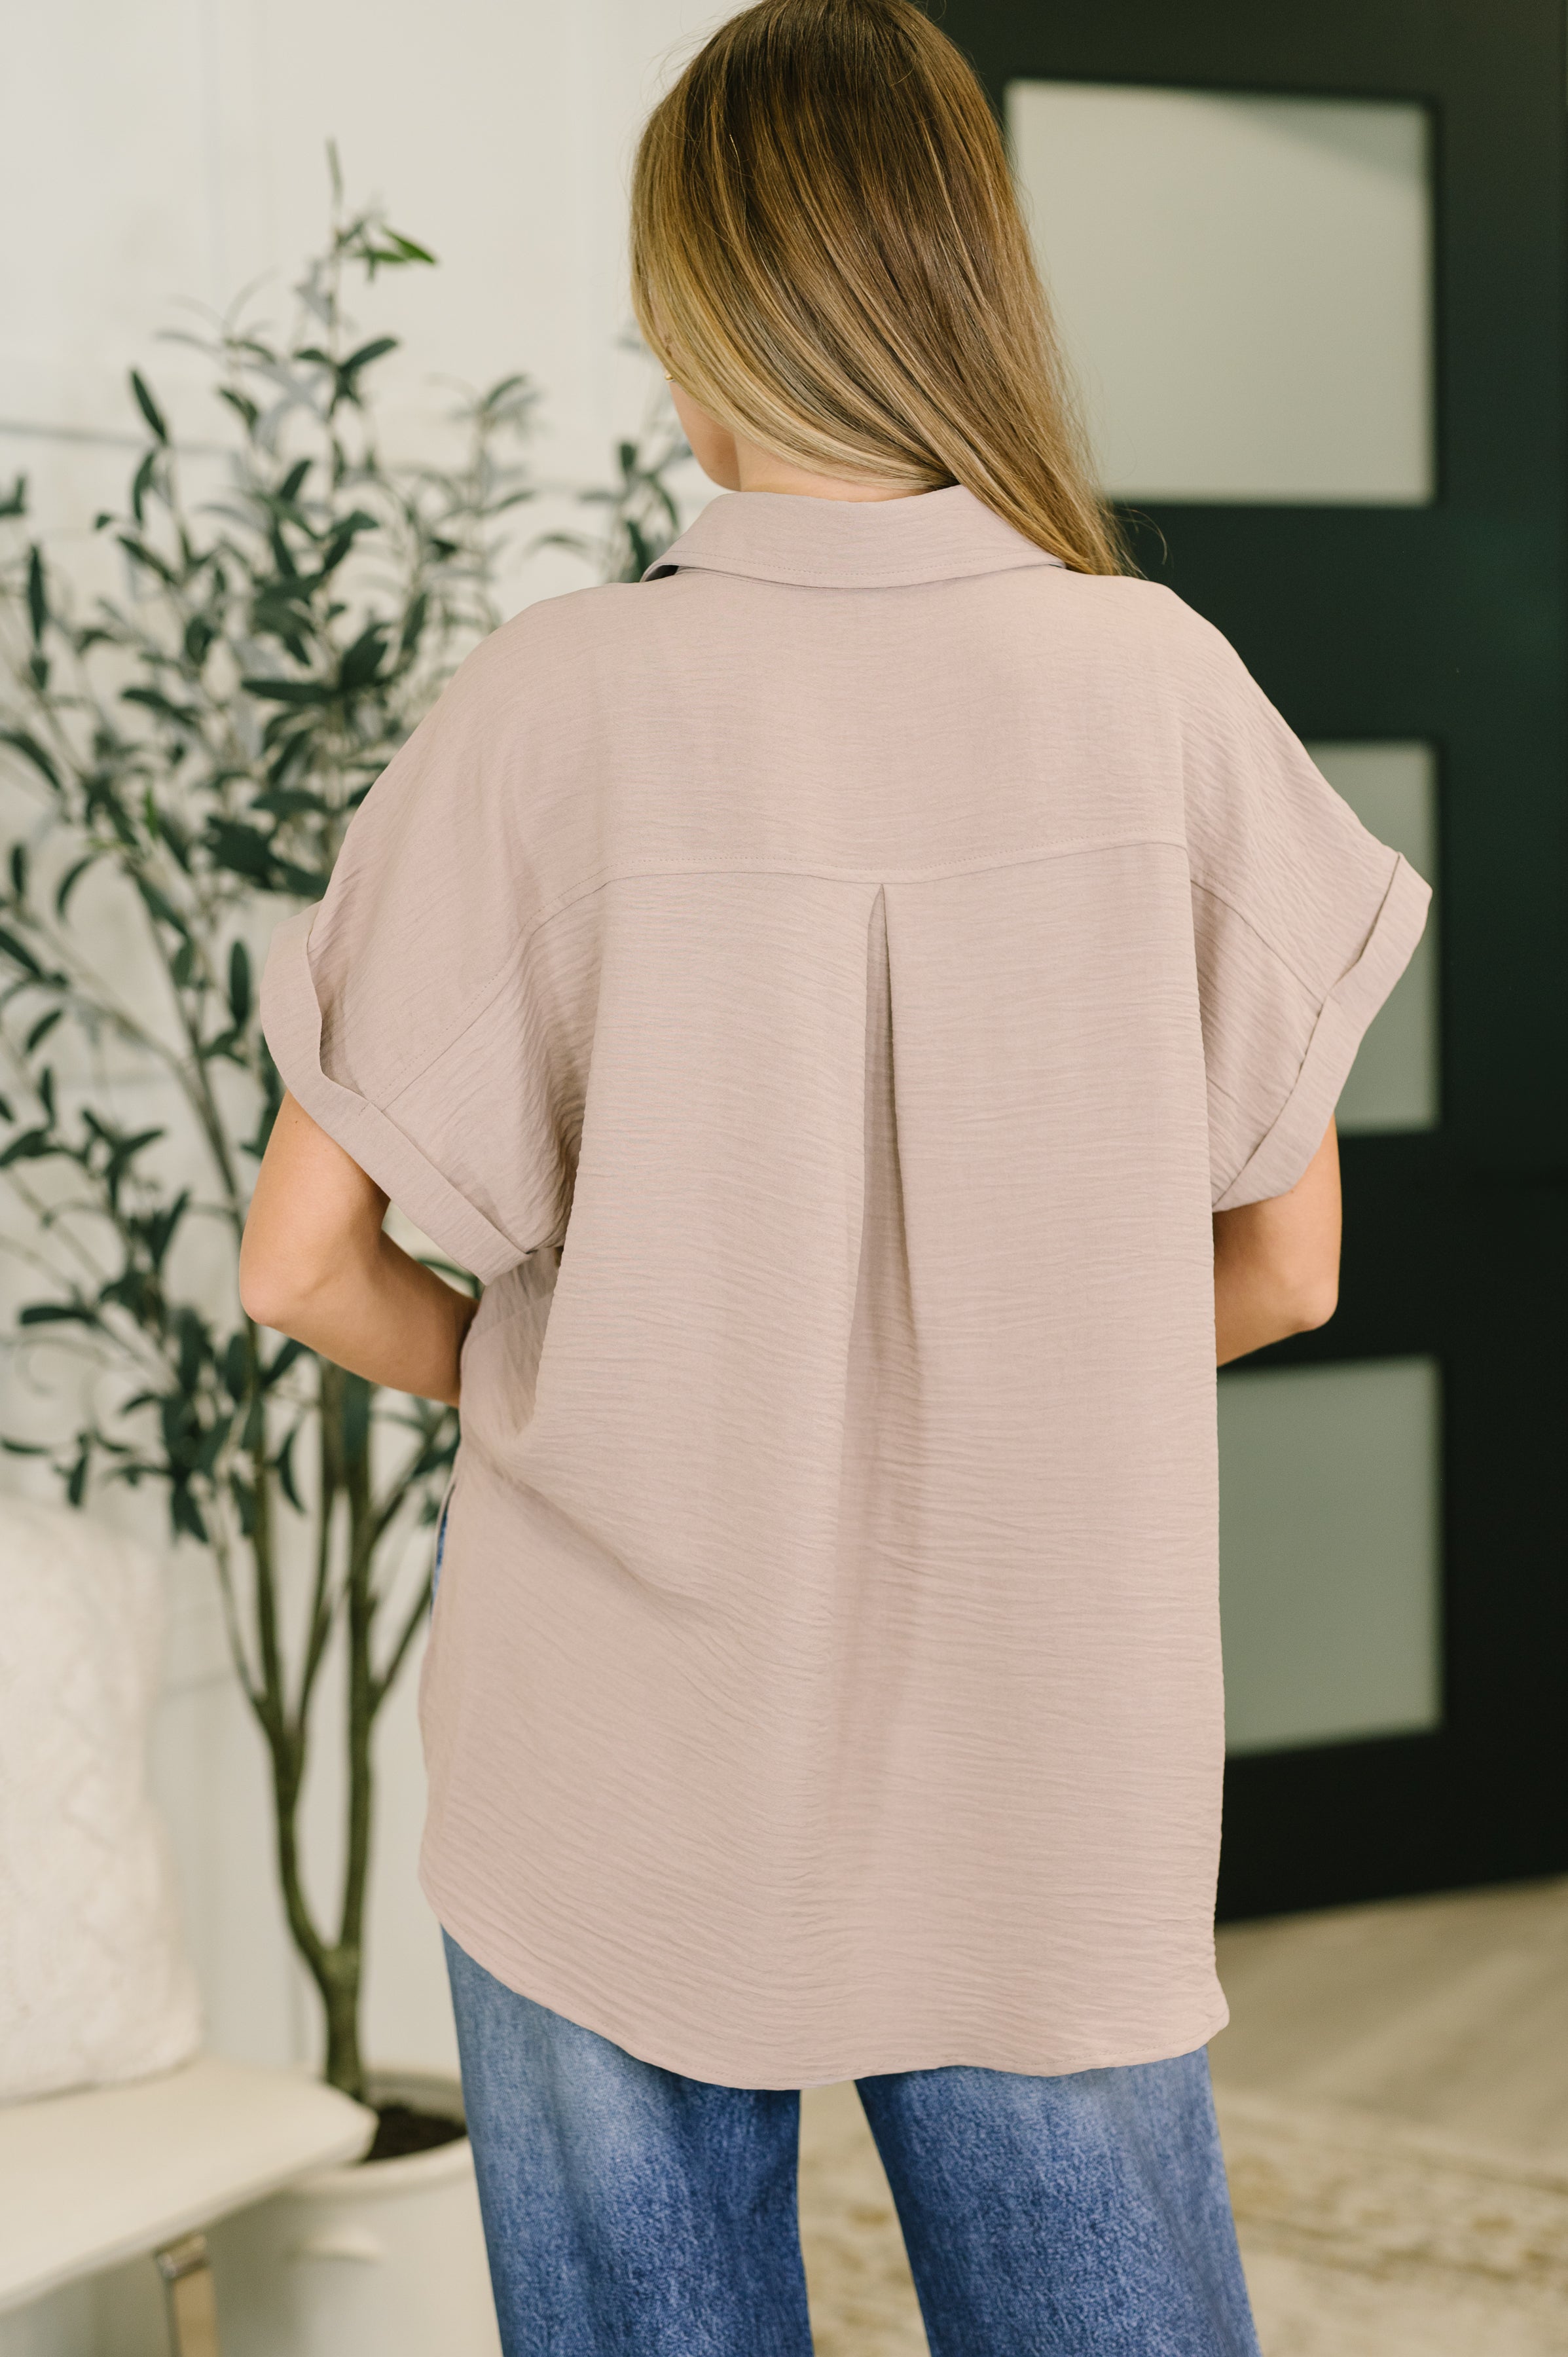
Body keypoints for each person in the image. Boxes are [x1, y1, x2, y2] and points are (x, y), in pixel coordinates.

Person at [241, 3, 1430, 2348]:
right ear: (962, 279)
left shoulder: (549, 699)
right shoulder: (1156, 683)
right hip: (1039, 1750)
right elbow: (1285, 1264)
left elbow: (301, 1264)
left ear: (691, 309)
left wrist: (579, 1384)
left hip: (604, 1761)